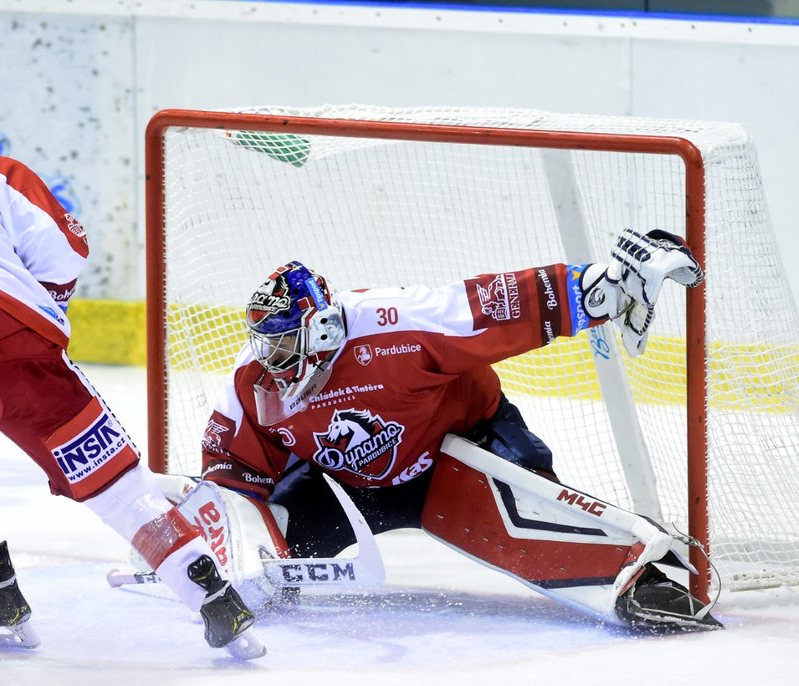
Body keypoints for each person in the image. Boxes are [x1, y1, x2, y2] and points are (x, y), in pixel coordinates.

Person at [0, 79, 263, 658]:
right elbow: (64, 253)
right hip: (13, 349)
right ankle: (214, 598)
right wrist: (31, 315)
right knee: (114, 484)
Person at [178, 232, 722, 632]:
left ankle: (644, 584)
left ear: (320, 327)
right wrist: (235, 544)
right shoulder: (253, 378)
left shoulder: (394, 323)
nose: (270, 358)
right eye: (264, 342)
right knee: (267, 555)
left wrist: (602, 287)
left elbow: (496, 305)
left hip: (459, 452)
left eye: (281, 342)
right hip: (347, 486)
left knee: (544, 522)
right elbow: (233, 465)